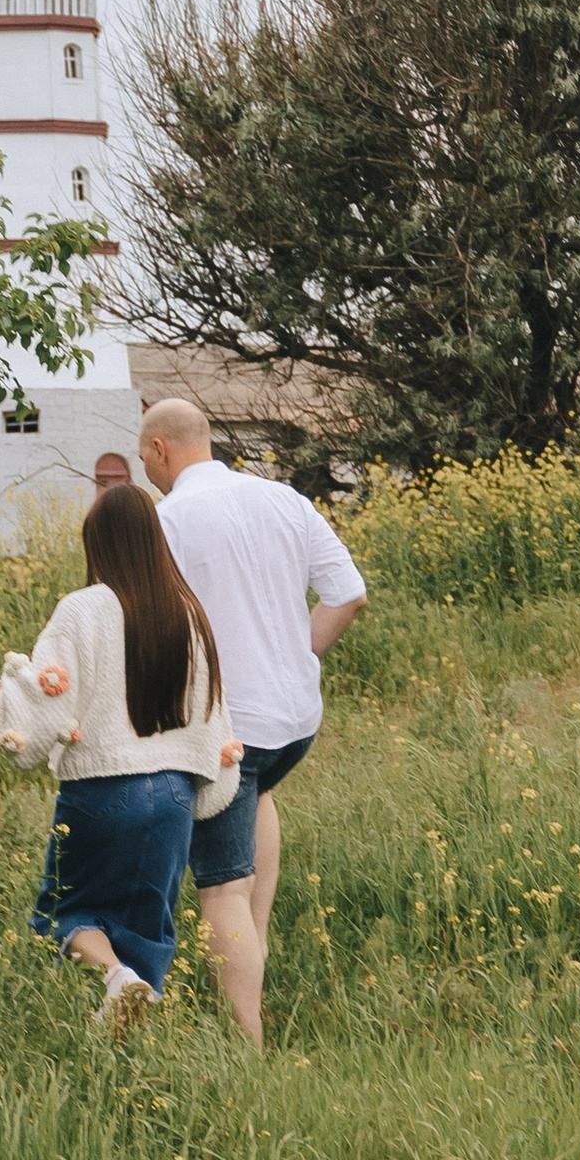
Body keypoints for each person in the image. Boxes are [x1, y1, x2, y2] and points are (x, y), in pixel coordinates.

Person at [0, 480, 240, 1035]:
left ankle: (113, 977)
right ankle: (133, 1045)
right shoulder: (188, 612)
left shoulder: (82, 610)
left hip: (104, 791)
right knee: (148, 932)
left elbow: (41, 707)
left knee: (66, 915)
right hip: (175, 795)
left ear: (100, 546)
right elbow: (212, 713)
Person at [137, 397, 366, 1047]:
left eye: (142, 455)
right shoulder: (284, 500)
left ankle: (245, 1042)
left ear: (160, 450)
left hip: (233, 733)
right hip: (295, 720)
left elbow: (151, 636)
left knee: (220, 891)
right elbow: (348, 595)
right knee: (258, 792)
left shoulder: (170, 519)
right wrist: (298, 655)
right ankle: (252, 954)